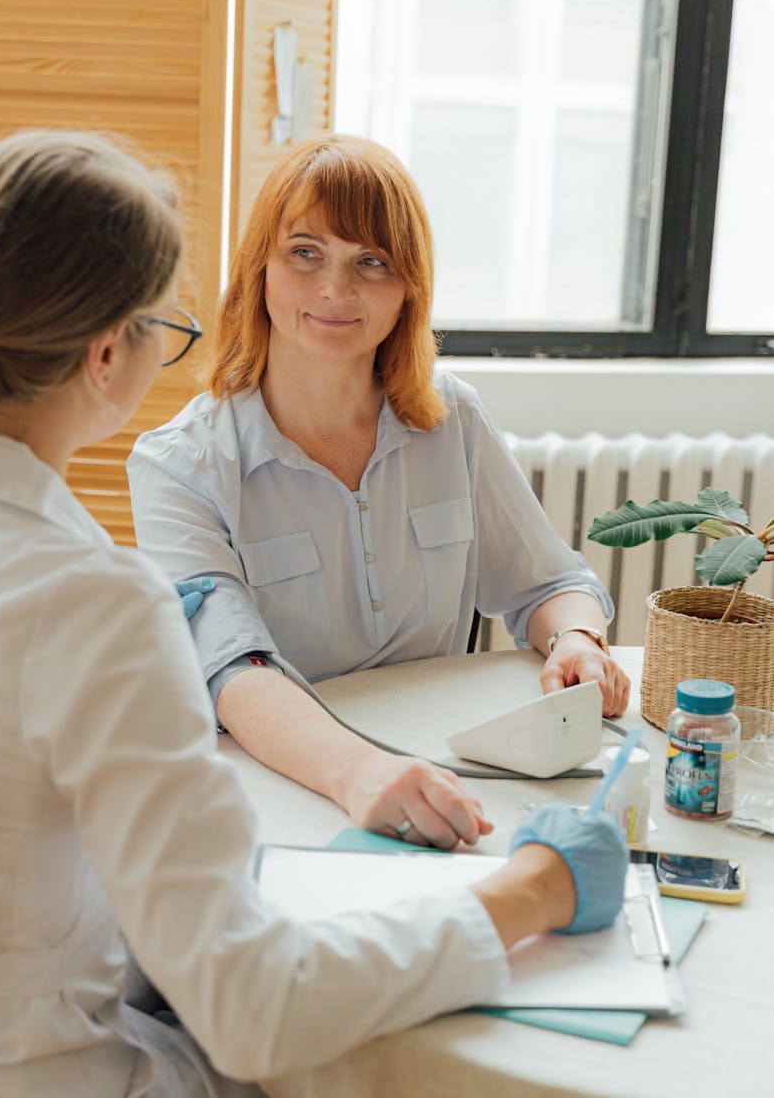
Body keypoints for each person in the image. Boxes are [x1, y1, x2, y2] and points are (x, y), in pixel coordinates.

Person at [0, 129, 628, 1097]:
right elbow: (255, 1010)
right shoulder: (96, 601)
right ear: (108, 353)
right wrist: (534, 891)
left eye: (371, 263)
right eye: (164, 325)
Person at [127, 133, 632, 849]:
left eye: (372, 262)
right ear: (258, 269)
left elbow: (549, 583)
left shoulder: (455, 420)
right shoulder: (179, 465)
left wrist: (575, 640)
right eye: (305, 253)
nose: (336, 289)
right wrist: (361, 776)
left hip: (449, 771)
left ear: (407, 291)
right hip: (281, 787)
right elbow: (233, 672)